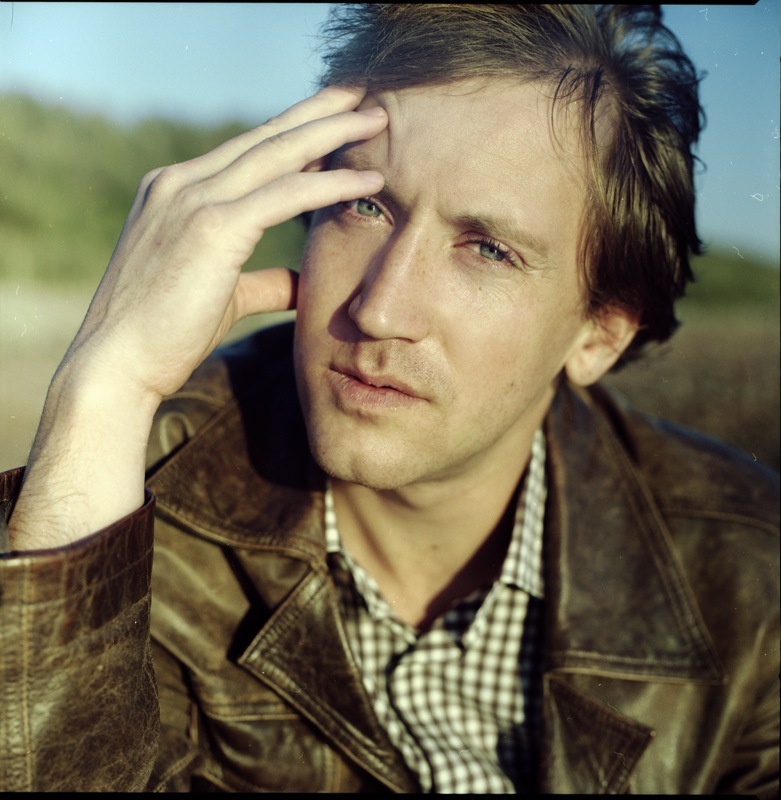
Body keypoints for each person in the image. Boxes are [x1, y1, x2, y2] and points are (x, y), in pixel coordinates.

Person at [0, 3, 777, 794]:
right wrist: (106, 385)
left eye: (487, 249)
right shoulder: (130, 518)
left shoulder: (754, 582)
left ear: (598, 335)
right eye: (364, 207)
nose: (379, 309)